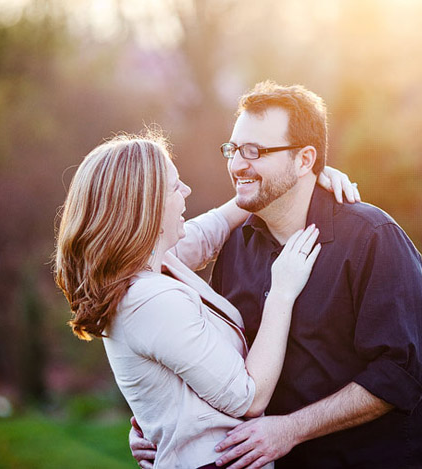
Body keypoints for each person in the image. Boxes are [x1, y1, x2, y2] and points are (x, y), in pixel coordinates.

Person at [131, 81, 422, 468]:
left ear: (305, 160)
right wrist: (153, 422)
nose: (238, 163)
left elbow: (400, 374)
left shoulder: (373, 238)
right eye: (234, 149)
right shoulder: (235, 249)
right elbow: (216, 365)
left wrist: (291, 429)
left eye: (255, 151)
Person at [54, 132, 358, 469]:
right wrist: (282, 292)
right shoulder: (149, 301)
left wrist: (301, 179)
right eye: (174, 187)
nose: (186, 191)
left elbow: (213, 228)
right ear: (146, 206)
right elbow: (249, 397)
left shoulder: (150, 263)